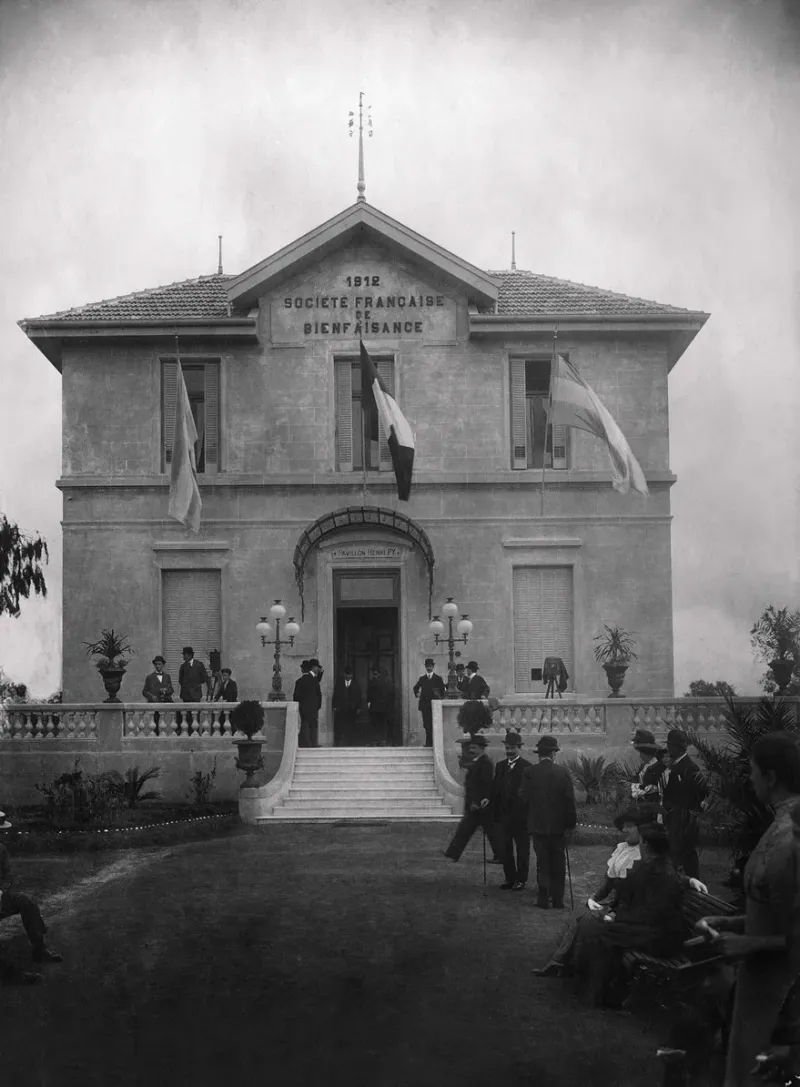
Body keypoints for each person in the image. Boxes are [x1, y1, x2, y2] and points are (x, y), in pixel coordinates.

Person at [698, 733, 800, 1087]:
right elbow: (775, 910)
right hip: (757, 984)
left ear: (771, 777)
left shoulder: (792, 837)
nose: (750, 779)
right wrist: (734, 922)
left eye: (754, 771)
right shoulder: (779, 826)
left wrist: (747, 944)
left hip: (783, 992)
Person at [566, 822, 688, 1007]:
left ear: (646, 844)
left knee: (601, 934)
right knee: (594, 927)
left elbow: (653, 913)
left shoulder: (663, 873)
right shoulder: (653, 865)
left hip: (660, 937)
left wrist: (618, 917)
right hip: (647, 928)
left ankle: (600, 995)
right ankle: (590, 987)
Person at [0, 811, 62, 983]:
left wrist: (1, 891)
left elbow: (7, 876)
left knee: (26, 902)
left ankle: (39, 949)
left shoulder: (1, 849)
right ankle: (11, 974)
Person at [522, 734, 577, 909]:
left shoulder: (530, 772)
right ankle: (558, 900)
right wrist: (570, 824)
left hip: (538, 826)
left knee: (542, 863)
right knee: (558, 863)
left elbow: (523, 798)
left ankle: (543, 899)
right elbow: (569, 801)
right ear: (553, 754)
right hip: (558, 827)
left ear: (539, 754)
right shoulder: (562, 772)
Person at [444, 735, 503, 862]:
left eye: (474, 747)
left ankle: (500, 855)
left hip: (480, 805)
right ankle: (452, 853)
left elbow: (485, 784)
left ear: (481, 749)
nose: (471, 750)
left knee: (487, 831)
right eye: (470, 747)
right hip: (475, 804)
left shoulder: (485, 763)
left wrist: (477, 801)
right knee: (468, 829)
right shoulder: (477, 761)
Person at [661, 728, 707, 879]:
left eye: (670, 746)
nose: (668, 749)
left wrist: (689, 808)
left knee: (687, 853)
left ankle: (695, 884)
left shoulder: (689, 767)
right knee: (675, 852)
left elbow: (702, 791)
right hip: (674, 816)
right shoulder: (674, 767)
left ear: (677, 748)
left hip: (685, 817)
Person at [490, 731, 533, 890]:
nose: (509, 751)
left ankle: (521, 880)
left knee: (523, 851)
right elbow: (495, 788)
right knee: (505, 850)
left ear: (519, 748)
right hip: (503, 817)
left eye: (512, 748)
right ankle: (510, 879)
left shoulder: (527, 767)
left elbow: (529, 794)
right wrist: (488, 799)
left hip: (521, 818)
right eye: (507, 748)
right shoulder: (500, 766)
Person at [413, 658, 445, 748]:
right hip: (425, 706)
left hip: (434, 705)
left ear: (433, 667)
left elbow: (442, 691)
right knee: (426, 724)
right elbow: (415, 687)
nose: (429, 668)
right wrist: (417, 694)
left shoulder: (438, 679)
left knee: (434, 724)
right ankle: (428, 743)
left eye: (430, 666)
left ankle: (435, 743)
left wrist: (439, 698)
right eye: (427, 666)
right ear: (425, 667)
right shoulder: (422, 679)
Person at [293, 660, 321, 748]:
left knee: (305, 724)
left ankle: (306, 744)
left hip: (303, 707)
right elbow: (319, 694)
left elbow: (296, 696)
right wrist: (317, 706)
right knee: (313, 725)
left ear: (301, 669)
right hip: (313, 707)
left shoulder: (299, 681)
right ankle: (314, 743)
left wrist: (300, 705)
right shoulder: (315, 681)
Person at [332, 666, 362, 745]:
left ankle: (351, 742)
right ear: (344, 674)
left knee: (351, 726)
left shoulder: (356, 684)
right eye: (346, 674)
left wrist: (359, 707)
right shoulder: (339, 683)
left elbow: (359, 696)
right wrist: (334, 706)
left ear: (351, 675)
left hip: (352, 709)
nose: (348, 676)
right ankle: (338, 742)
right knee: (340, 726)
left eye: (349, 675)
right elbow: (335, 695)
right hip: (341, 709)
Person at [367, 666, 394, 746]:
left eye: (375, 673)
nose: (375, 675)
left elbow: (369, 695)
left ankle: (377, 741)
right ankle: (381, 740)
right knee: (381, 724)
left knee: (377, 725)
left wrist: (369, 704)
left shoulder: (373, 682)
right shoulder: (387, 682)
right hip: (382, 708)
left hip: (377, 708)